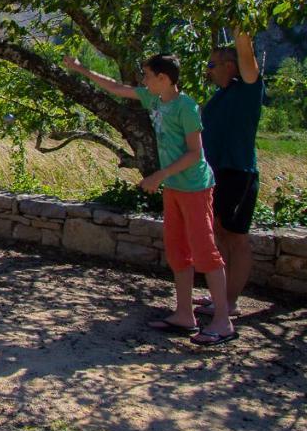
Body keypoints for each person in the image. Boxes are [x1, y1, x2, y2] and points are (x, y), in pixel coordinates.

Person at [63, 53, 237, 346]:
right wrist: (82, 70)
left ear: (163, 78)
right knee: (177, 250)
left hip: (195, 188)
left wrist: (159, 175)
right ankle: (185, 314)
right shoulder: (154, 99)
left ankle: (223, 321)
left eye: (146, 75)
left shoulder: (187, 107)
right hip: (174, 188)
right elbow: (117, 88)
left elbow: (195, 153)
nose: (142, 80)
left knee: (205, 251)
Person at [198, 31, 263, 318]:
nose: (208, 71)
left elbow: (247, 57)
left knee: (236, 237)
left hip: (238, 172)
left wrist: (241, 30)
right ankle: (220, 296)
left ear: (230, 65)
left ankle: (231, 301)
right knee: (220, 232)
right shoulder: (221, 94)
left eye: (212, 65)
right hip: (218, 172)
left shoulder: (248, 88)